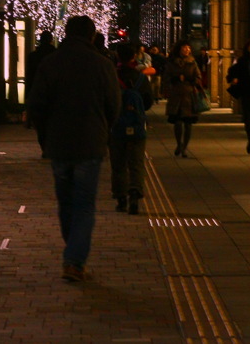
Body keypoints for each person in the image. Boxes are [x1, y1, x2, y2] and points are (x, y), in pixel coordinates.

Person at [28, 15, 120, 283]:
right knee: (84, 205)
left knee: (66, 202)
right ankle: (74, 259)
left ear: (66, 33)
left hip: (59, 144)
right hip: (90, 144)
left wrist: (45, 138)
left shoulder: (51, 63)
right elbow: (113, 105)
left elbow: (36, 105)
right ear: (92, 36)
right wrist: (104, 132)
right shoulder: (102, 65)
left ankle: (73, 251)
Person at [109, 44, 155, 214]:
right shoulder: (140, 78)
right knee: (136, 162)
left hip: (116, 126)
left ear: (118, 57)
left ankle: (121, 199)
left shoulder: (112, 76)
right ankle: (134, 195)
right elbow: (148, 102)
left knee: (118, 164)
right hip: (137, 126)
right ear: (134, 57)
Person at [164, 39, 202, 157]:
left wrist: (190, 79)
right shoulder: (171, 62)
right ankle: (179, 144)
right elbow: (166, 77)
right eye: (184, 48)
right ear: (179, 49)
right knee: (178, 122)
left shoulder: (192, 62)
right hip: (176, 95)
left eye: (188, 48)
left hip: (189, 95)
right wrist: (175, 79)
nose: (187, 50)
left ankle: (184, 147)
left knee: (188, 123)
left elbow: (198, 77)